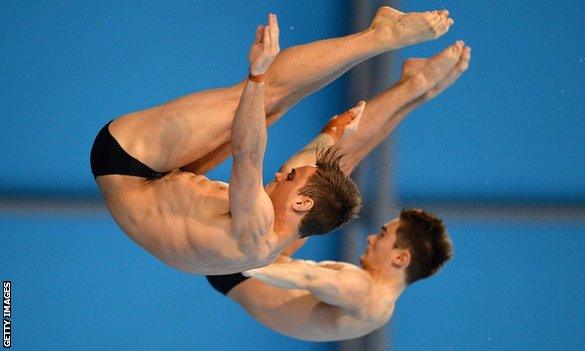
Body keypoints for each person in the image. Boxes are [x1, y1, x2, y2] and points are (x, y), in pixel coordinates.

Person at [90, 7, 454, 275]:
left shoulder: (255, 228)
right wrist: (330, 135)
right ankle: (386, 49)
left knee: (266, 96)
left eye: (290, 179)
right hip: (158, 179)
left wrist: (258, 72)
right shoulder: (271, 237)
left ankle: (383, 36)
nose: (281, 176)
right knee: (271, 111)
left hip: (128, 158)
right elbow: (293, 170)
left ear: (301, 202)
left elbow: (248, 153)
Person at [206, 40, 470, 341]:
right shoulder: (380, 306)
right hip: (243, 269)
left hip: (243, 265)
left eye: (383, 234)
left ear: (401, 258)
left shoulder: (364, 291)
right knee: (339, 162)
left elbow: (308, 276)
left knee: (340, 158)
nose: (372, 237)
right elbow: (306, 274)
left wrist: (246, 258)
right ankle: (414, 89)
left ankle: (415, 87)